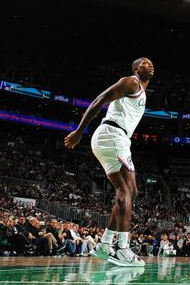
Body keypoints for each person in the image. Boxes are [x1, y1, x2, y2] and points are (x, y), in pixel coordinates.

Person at [64, 57, 154, 267]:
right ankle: (122, 249)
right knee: (125, 191)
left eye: (151, 63)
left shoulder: (140, 91)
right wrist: (79, 132)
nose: (149, 64)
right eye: (144, 62)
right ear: (135, 68)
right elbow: (100, 99)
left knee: (131, 192)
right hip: (112, 135)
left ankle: (105, 244)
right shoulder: (131, 82)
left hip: (115, 138)